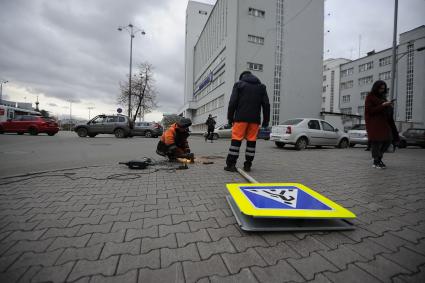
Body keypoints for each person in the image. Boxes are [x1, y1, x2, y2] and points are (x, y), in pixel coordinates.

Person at [224, 70, 270, 172]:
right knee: (251, 141)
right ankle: (248, 165)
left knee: (236, 140)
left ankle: (231, 165)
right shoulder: (261, 87)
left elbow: (232, 102)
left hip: (240, 118)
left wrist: (230, 118)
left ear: (242, 77)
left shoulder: (239, 85)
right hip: (255, 120)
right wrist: (266, 121)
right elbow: (266, 104)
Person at [365, 80, 393, 169]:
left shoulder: (383, 97)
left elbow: (385, 109)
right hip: (373, 123)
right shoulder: (370, 96)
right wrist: (383, 105)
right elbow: (370, 111)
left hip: (383, 123)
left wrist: (389, 106)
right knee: (376, 142)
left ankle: (378, 159)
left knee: (388, 140)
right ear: (376, 88)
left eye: (383, 89)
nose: (382, 90)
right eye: (380, 88)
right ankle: (376, 161)